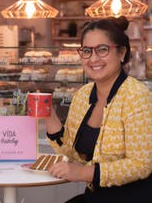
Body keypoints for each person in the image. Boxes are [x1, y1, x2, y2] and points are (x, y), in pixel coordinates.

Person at [43, 16, 152, 202]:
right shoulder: (83, 96)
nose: (93, 59)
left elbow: (141, 165)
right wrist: (48, 116)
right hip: (96, 196)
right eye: (87, 51)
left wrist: (84, 173)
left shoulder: (137, 96)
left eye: (102, 50)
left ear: (122, 53)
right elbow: (72, 153)